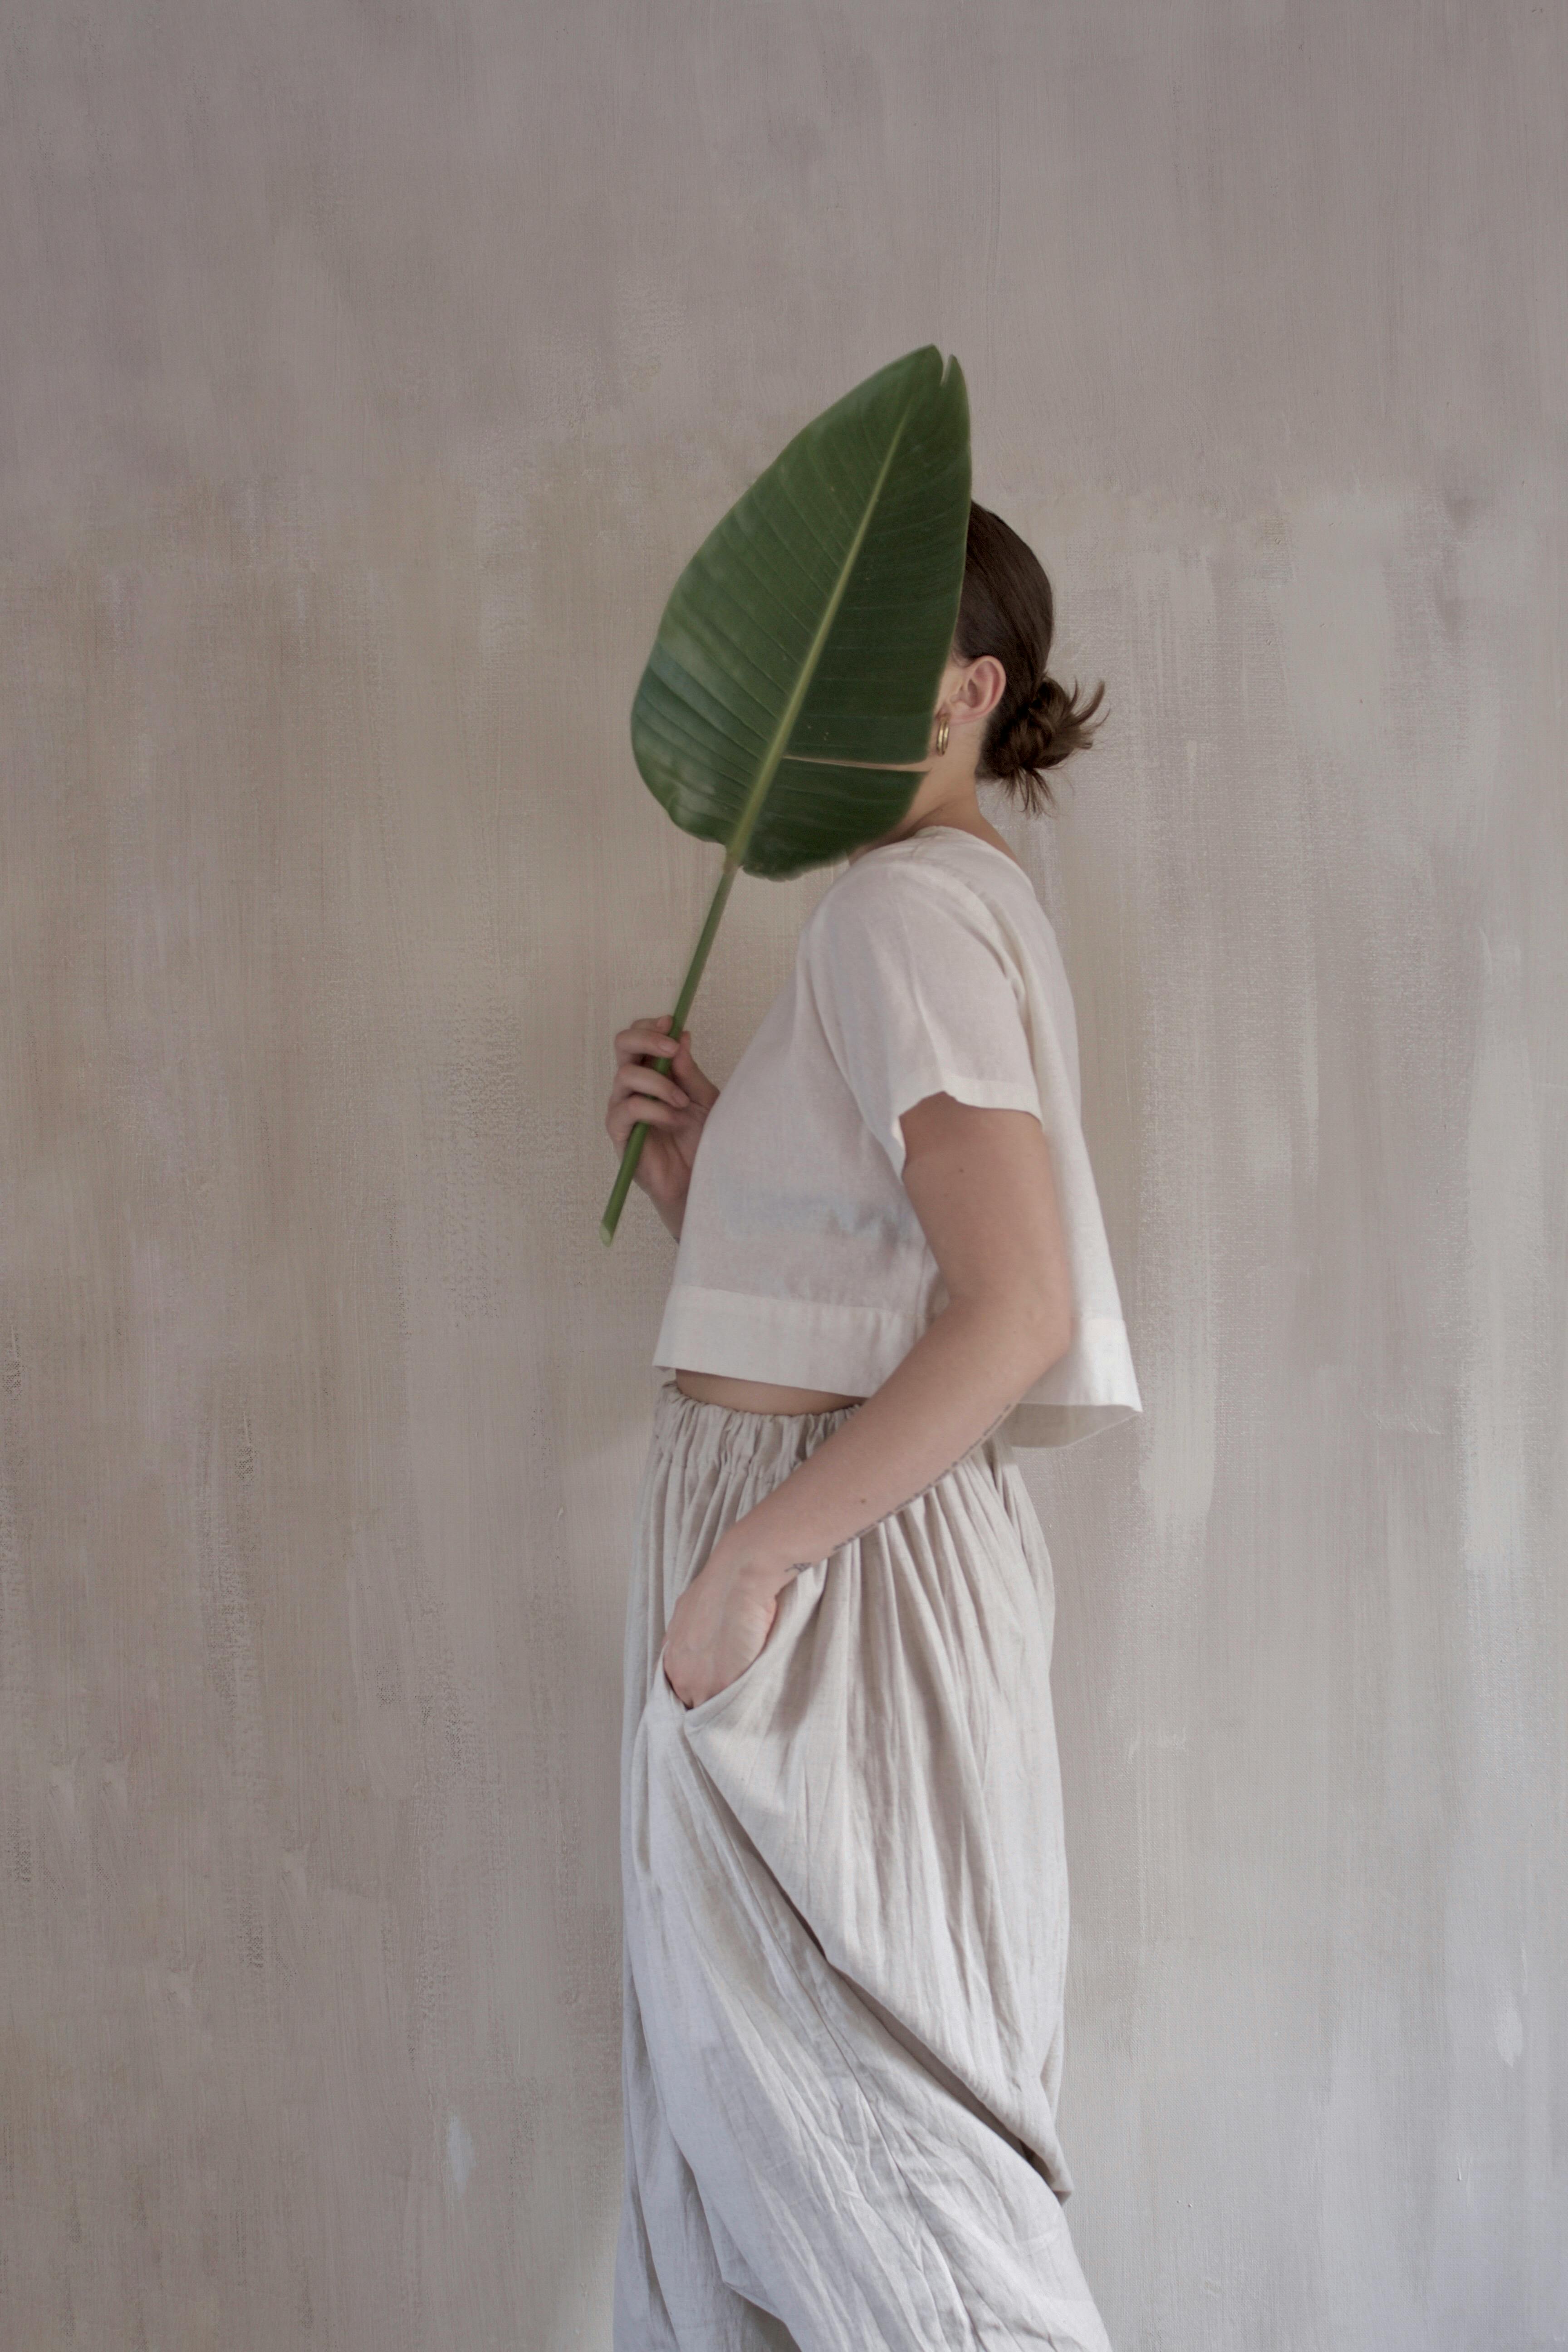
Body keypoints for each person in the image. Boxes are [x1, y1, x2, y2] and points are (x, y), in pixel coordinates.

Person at [603, 503, 1142, 2351]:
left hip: (829, 1590)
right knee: (783, 2160)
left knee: (879, 2181)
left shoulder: (899, 913)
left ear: (970, 690)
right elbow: (903, 1301)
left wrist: (751, 1562)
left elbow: (1020, 1307)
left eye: (871, 663)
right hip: (852, 1571)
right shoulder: (945, 905)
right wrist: (714, 1181)